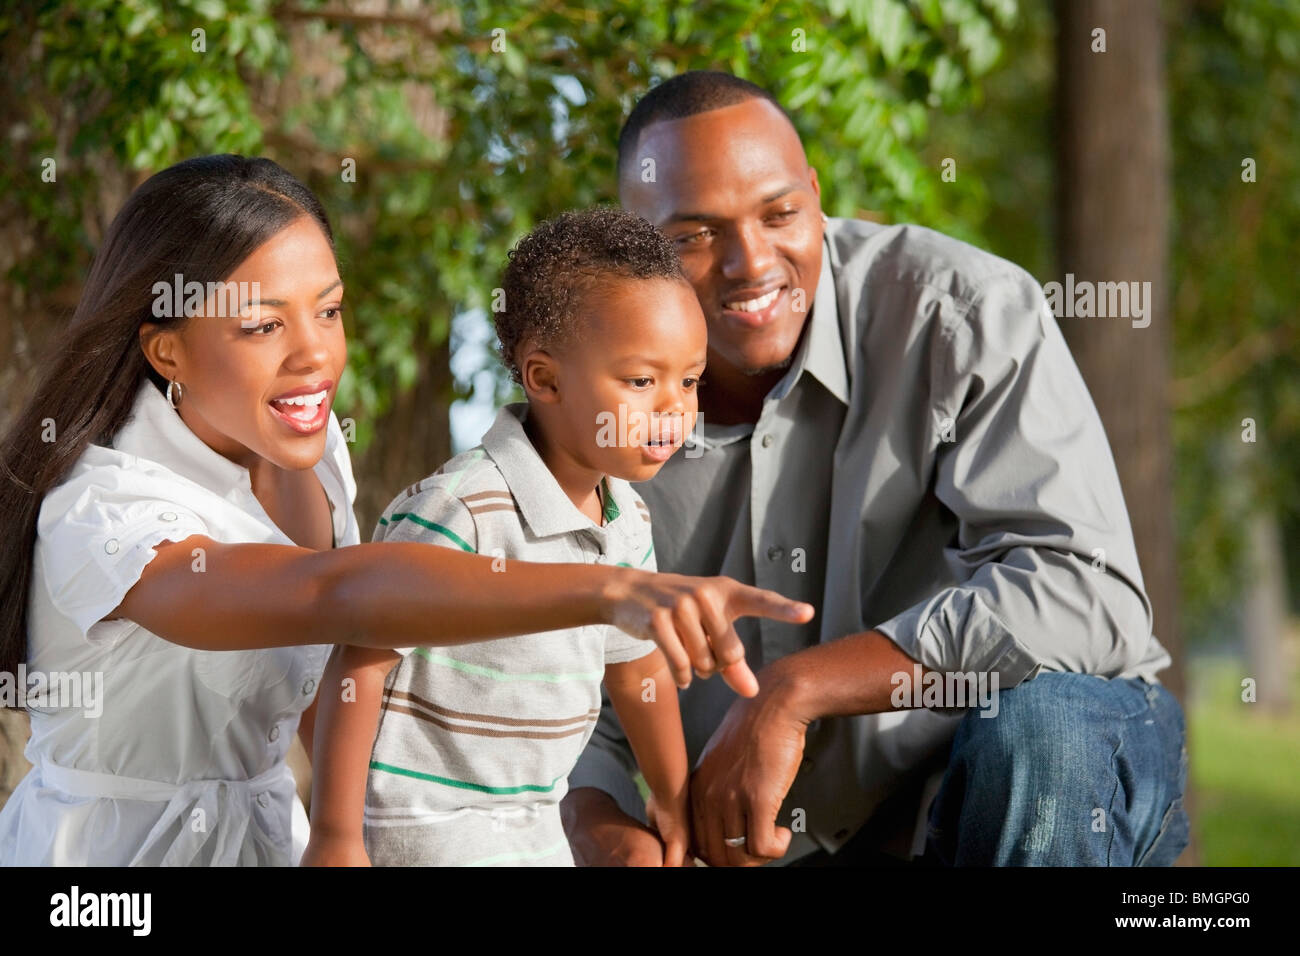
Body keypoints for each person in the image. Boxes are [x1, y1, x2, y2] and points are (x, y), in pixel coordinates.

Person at [0, 155, 813, 866]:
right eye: (261, 325)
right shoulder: (104, 511)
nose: (317, 353)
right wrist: (608, 591)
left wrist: (348, 832)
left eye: (328, 309)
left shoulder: (312, 459)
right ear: (166, 349)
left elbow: (327, 688)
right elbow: (335, 596)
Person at [562, 71, 1190, 867]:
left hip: (989, 798)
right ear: (635, 244)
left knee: (1046, 733)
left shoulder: (964, 314)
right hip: (753, 850)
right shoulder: (583, 401)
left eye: (781, 213)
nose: (751, 262)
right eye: (694, 235)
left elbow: (1089, 593)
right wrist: (597, 821)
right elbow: (557, 675)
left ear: (815, 195)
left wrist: (804, 687)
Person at [303, 208, 719, 867]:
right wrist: (334, 836)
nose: (675, 406)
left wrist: (673, 797)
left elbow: (635, 667)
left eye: (690, 380)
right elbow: (360, 662)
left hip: (536, 825)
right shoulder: (461, 508)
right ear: (545, 379)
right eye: (642, 381)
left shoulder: (627, 519)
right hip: (426, 830)